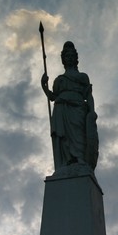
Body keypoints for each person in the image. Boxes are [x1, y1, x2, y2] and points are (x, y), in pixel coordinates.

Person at [41, 41, 99, 171]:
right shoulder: (59, 80)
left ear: (76, 58)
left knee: (78, 135)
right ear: (63, 59)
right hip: (61, 109)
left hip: (78, 108)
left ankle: (81, 160)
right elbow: (52, 97)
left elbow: (88, 95)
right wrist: (43, 85)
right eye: (66, 56)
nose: (69, 58)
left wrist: (92, 112)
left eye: (72, 55)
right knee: (64, 139)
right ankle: (67, 161)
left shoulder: (82, 77)